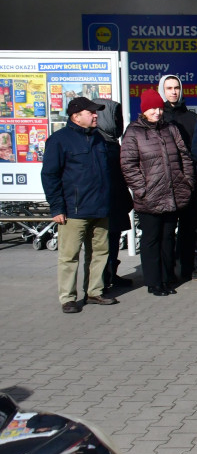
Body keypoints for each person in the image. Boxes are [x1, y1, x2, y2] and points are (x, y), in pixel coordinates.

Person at [41, 96, 118, 313]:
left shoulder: (99, 139)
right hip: (74, 211)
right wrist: (57, 207)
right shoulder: (59, 140)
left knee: (100, 253)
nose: (96, 116)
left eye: (97, 112)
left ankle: (94, 292)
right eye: (91, 112)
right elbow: (50, 175)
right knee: (69, 256)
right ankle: (68, 298)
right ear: (76, 116)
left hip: (100, 208)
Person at [120, 89, 196, 296]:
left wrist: (186, 181)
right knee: (151, 239)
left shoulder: (170, 129)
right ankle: (154, 282)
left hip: (173, 193)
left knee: (168, 238)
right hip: (149, 196)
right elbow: (128, 165)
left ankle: (167, 277)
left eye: (159, 108)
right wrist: (141, 189)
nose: (157, 112)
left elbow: (184, 157)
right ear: (144, 110)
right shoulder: (134, 132)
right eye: (152, 108)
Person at [160, 73, 197, 282]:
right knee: (167, 232)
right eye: (169, 88)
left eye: (176, 87)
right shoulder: (158, 119)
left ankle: (188, 268)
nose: (173, 92)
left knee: (188, 229)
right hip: (164, 184)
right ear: (162, 90)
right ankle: (167, 271)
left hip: (187, 182)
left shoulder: (192, 119)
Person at [94, 92, 133, 292]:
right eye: (114, 117)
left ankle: (111, 274)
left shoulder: (111, 141)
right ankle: (101, 280)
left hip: (116, 202)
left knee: (114, 241)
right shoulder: (98, 142)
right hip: (104, 204)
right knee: (103, 243)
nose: (117, 121)